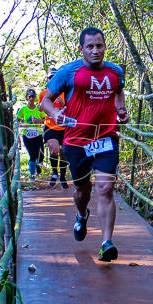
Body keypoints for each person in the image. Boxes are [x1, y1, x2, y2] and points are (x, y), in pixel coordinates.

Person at [40, 28, 129, 262]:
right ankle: (81, 214)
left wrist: (120, 110)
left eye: (99, 45)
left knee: (105, 188)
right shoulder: (68, 72)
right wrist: (56, 114)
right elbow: (45, 102)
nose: (95, 50)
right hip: (76, 142)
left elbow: (118, 93)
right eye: (90, 46)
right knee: (83, 191)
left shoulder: (115, 72)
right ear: (81, 49)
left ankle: (106, 242)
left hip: (106, 138)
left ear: (104, 47)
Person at [38, 70, 69, 188]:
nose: (52, 79)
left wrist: (64, 103)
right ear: (48, 80)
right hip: (50, 126)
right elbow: (41, 108)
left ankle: (62, 176)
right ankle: (54, 173)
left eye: (54, 77)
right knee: (54, 150)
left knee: (64, 152)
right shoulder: (44, 93)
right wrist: (40, 107)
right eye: (50, 78)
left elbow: (73, 107)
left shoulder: (65, 93)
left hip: (64, 127)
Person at [16, 88, 46, 179]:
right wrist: (22, 125)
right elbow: (17, 122)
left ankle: (38, 164)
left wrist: (38, 121)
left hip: (38, 135)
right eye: (30, 97)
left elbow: (45, 119)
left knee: (41, 155)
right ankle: (32, 175)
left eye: (33, 96)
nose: (32, 99)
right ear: (27, 98)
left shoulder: (39, 109)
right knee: (32, 155)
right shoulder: (23, 110)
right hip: (27, 136)